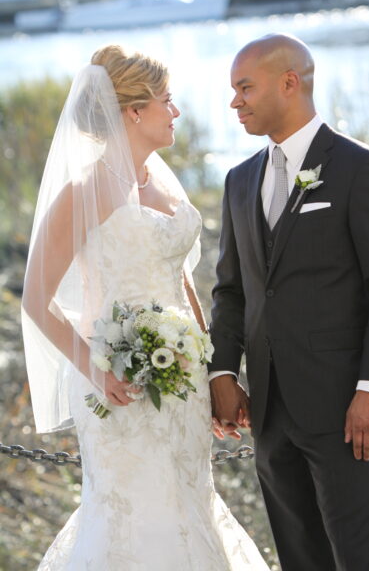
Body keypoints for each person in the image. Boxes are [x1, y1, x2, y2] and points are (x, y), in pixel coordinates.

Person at [22, 45, 269, 570]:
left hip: (181, 390)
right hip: (120, 390)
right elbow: (36, 299)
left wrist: (213, 377)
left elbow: (181, 283)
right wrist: (95, 367)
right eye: (168, 101)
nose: (175, 112)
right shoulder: (84, 191)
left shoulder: (160, 179)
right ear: (134, 111)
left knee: (189, 501)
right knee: (134, 518)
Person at [209, 33, 369, 571]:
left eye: (245, 87)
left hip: (346, 409)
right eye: (233, 90)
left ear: (289, 83)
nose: (235, 101)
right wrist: (222, 371)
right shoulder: (238, 180)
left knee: (360, 556)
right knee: (300, 559)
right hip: (268, 414)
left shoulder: (363, 168)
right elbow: (233, 288)